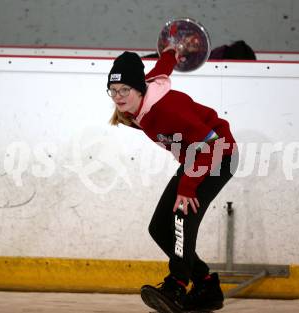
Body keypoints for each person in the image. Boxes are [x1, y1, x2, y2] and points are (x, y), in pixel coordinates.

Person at [106, 47, 238, 312]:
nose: (118, 97)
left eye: (124, 90)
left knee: (182, 215)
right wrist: (170, 52)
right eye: (113, 90)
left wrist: (187, 188)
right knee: (158, 228)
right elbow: (162, 69)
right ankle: (206, 286)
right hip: (196, 158)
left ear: (139, 89)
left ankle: (176, 284)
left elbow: (212, 146)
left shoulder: (168, 108)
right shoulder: (143, 93)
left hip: (218, 156)